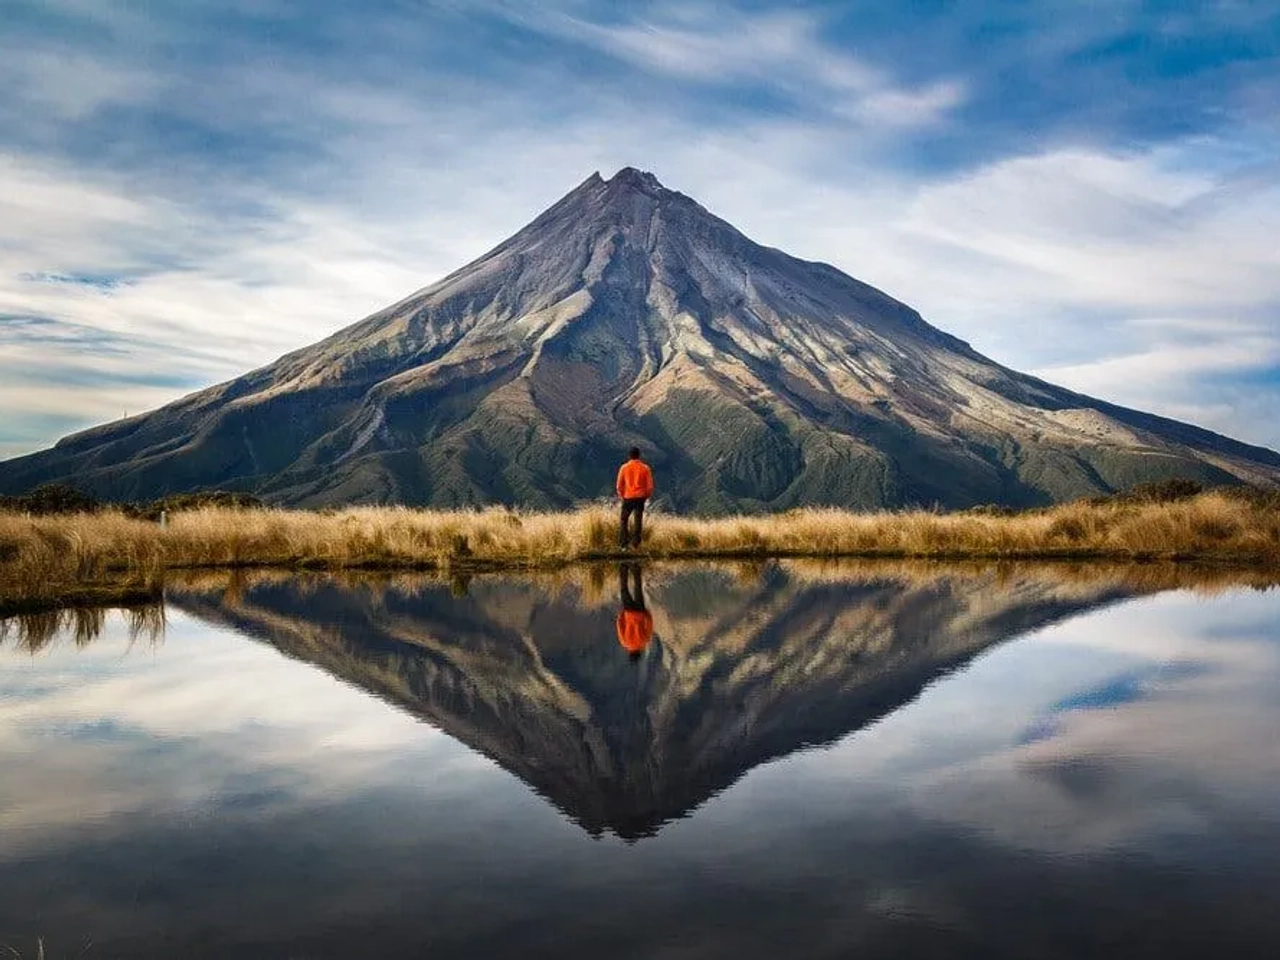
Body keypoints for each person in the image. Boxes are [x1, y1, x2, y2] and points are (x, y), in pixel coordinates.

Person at [615, 447, 654, 549]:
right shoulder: (645, 468)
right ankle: (635, 545)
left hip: (628, 497)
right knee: (638, 521)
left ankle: (623, 545)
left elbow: (619, 485)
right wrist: (646, 497)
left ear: (629, 456)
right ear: (639, 455)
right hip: (640, 498)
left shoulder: (624, 468)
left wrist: (622, 495)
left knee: (624, 520)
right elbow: (650, 487)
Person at [616, 562, 653, 659]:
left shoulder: (644, 642)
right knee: (624, 590)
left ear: (639, 652)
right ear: (629, 653)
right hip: (629, 612)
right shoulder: (624, 643)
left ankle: (635, 568)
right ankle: (623, 567)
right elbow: (620, 626)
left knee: (638, 588)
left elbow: (649, 626)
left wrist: (647, 614)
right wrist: (622, 614)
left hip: (640, 612)